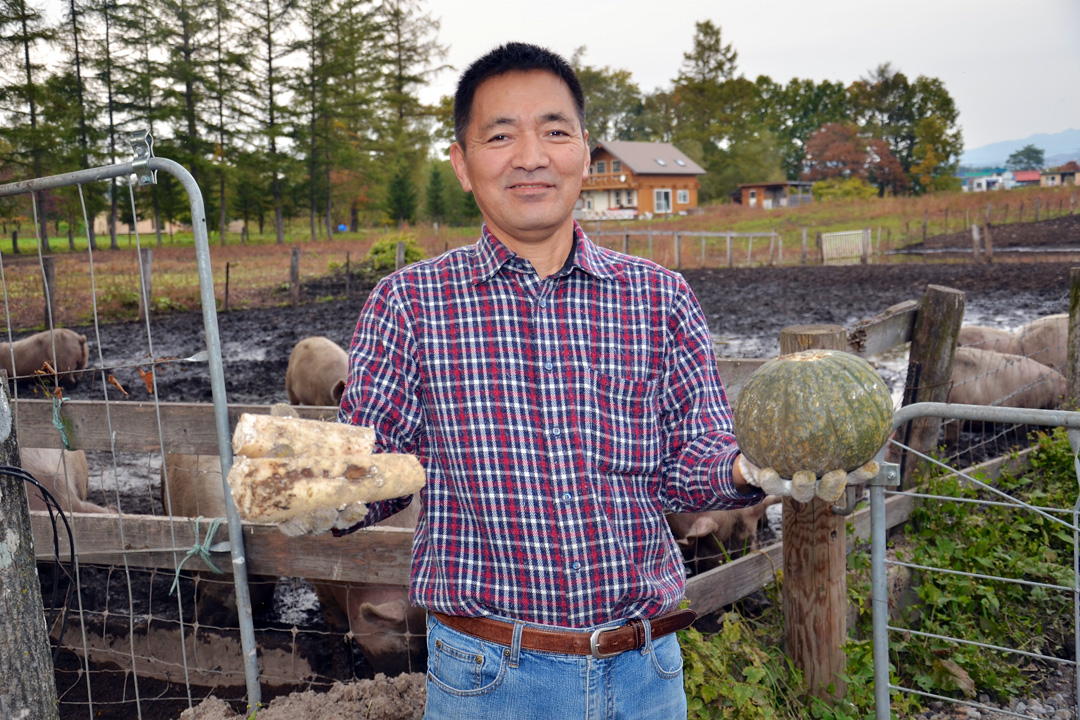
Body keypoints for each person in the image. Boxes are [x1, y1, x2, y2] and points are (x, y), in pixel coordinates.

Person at [329, 41, 843, 719]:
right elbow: (377, 471)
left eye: (553, 130)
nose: (532, 155)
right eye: (501, 135)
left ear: (584, 151)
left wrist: (753, 467)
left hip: (644, 673)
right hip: (487, 679)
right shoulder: (409, 304)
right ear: (462, 162)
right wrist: (323, 489)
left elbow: (691, 463)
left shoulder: (659, 299)